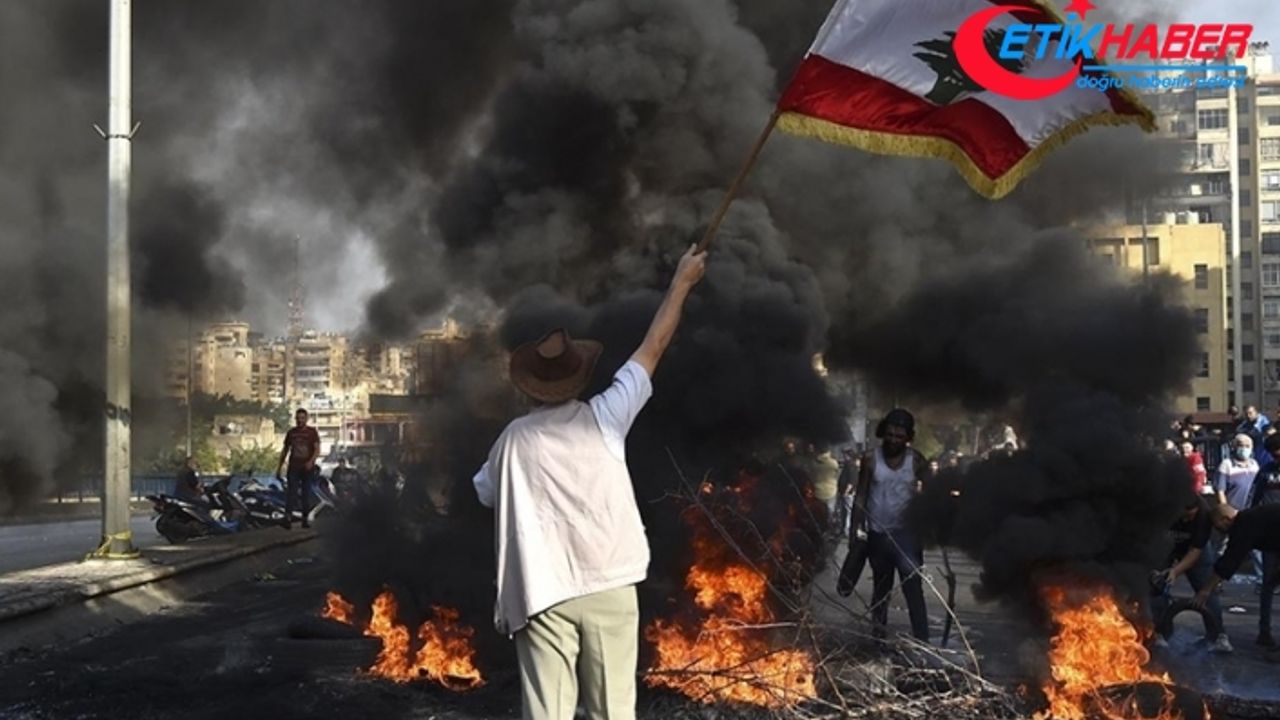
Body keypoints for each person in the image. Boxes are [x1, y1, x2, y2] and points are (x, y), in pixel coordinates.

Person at [472, 245, 705, 720]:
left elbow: (485, 493)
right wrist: (682, 282)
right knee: (613, 712)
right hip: (610, 584)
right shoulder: (606, 417)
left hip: (542, 592)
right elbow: (652, 347)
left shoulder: (511, 441)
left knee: (547, 712)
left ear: (528, 386)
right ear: (579, 378)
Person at [850, 408, 931, 642]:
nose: (894, 440)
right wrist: (854, 530)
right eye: (890, 434)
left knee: (913, 589)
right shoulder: (869, 459)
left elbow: (931, 494)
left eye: (899, 436)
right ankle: (879, 639)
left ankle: (922, 642)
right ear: (883, 432)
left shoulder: (916, 461)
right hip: (878, 535)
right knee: (881, 590)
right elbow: (861, 495)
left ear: (908, 438)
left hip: (907, 537)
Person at [1151, 496, 1231, 653]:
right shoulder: (1162, 509)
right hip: (1164, 547)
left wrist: (1175, 571)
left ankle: (1219, 636)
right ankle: (1159, 632)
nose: (1189, 519)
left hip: (1195, 550)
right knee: (1157, 586)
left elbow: (1195, 551)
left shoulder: (1203, 515)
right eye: (1186, 515)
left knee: (1206, 589)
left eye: (1192, 515)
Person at [1194, 502, 1280, 647]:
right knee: (1269, 584)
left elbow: (1230, 560)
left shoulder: (1244, 524)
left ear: (1225, 519)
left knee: (1269, 585)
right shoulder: (1251, 518)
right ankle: (1264, 634)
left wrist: (1205, 590)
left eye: (1217, 526)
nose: (1219, 531)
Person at [277, 408, 320, 529]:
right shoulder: (291, 433)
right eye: (298, 418)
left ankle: (305, 519)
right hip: (294, 466)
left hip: (307, 467)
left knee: (306, 493)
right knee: (292, 493)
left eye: (302, 418)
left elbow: (317, 449)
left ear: (306, 419)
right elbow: (285, 450)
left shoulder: (312, 432)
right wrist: (279, 467)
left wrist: (311, 462)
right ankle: (288, 518)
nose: (300, 421)